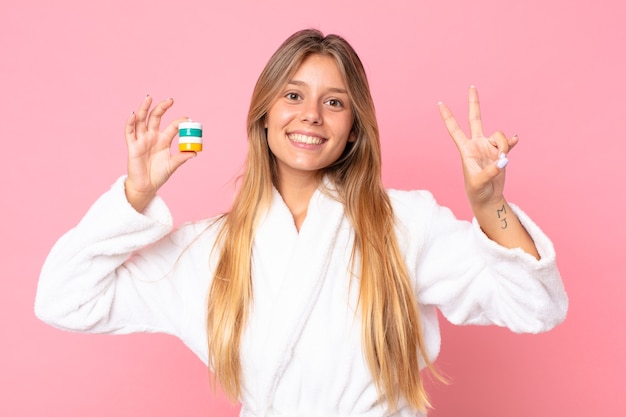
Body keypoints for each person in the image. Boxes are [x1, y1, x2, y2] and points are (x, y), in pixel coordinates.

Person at [35, 29, 568, 417]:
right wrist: (135, 195)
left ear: (353, 129)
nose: (311, 114)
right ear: (264, 114)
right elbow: (64, 300)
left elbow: (536, 308)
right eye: (293, 95)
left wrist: (488, 205)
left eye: (333, 102)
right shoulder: (206, 249)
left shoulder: (406, 223)